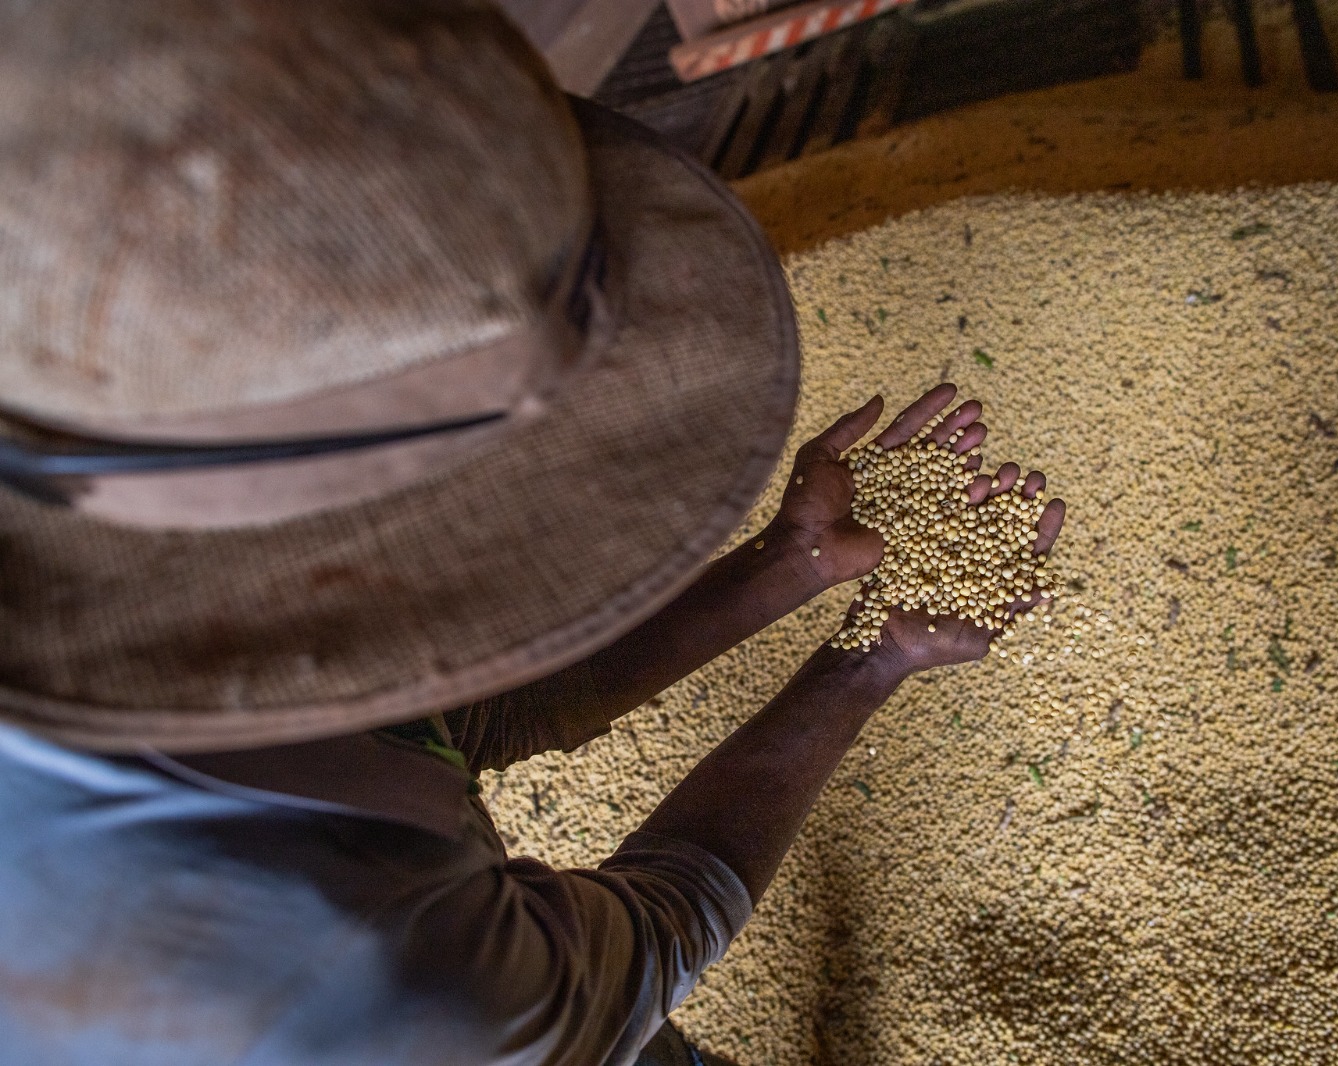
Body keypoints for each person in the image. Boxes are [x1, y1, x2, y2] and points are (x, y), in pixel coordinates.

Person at [0, 2, 1065, 1063]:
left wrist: (788, 566)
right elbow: (659, 928)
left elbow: (451, 718)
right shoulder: (367, 971)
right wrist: (867, 664)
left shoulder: (72, 362)